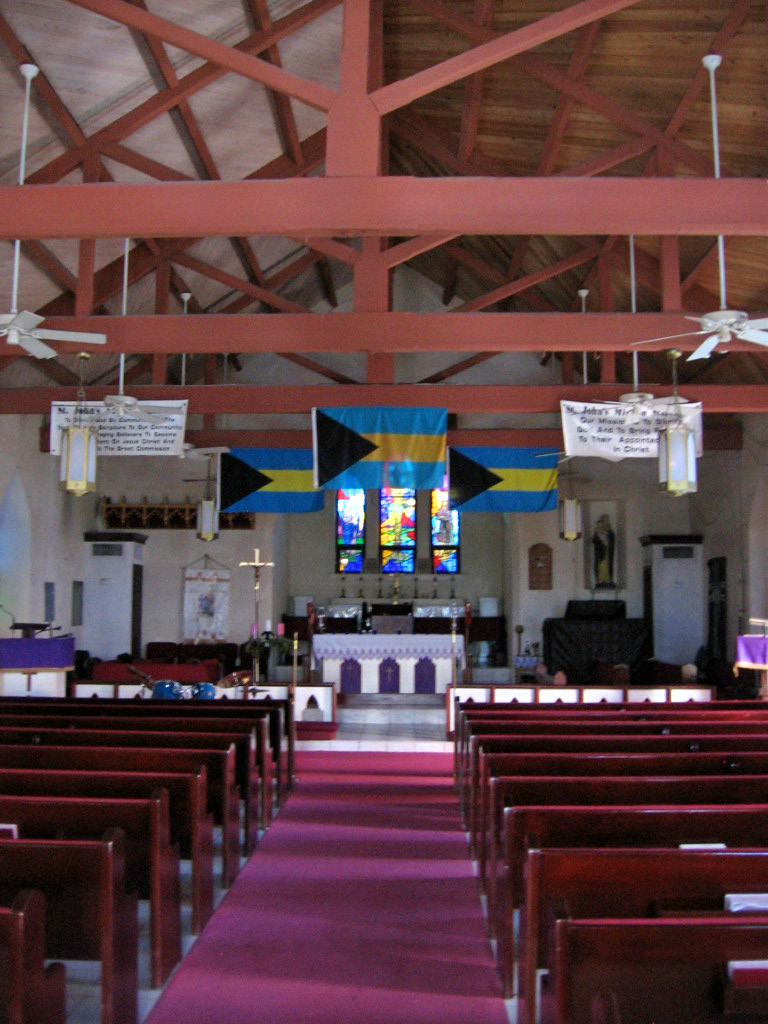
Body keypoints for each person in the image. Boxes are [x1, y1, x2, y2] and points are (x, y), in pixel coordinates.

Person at [592, 513, 616, 588]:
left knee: (607, 566)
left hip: (607, 553)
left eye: (606, 521)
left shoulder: (610, 532)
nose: (605, 523)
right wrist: (599, 539)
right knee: (601, 566)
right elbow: (594, 540)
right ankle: (600, 580)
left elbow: (612, 540)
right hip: (600, 553)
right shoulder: (598, 532)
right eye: (604, 521)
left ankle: (608, 579)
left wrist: (607, 539)